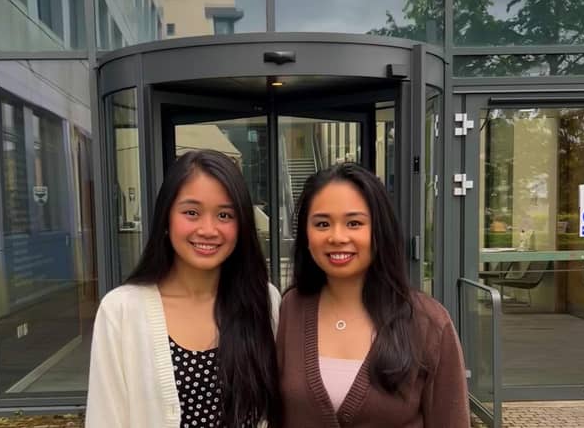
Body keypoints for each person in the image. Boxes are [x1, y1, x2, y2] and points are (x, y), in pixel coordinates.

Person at [86, 149, 281, 428]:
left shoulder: (264, 300)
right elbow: (104, 418)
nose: (208, 229)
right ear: (166, 218)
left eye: (225, 215)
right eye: (191, 212)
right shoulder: (121, 310)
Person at [277, 163, 469, 427]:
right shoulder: (292, 308)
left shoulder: (428, 322)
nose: (337, 236)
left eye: (354, 223)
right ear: (306, 235)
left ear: (379, 230)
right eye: (322, 223)